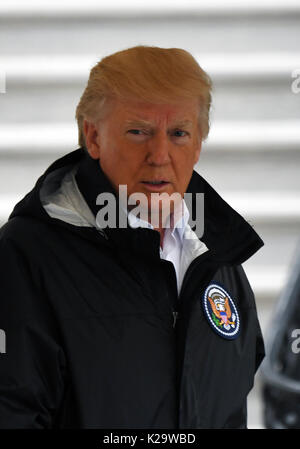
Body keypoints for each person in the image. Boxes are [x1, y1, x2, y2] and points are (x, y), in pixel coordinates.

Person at [0, 45, 265, 429]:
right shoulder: (25, 256)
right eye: (138, 132)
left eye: (178, 133)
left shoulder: (219, 257)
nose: (159, 155)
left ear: (198, 144)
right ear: (93, 137)